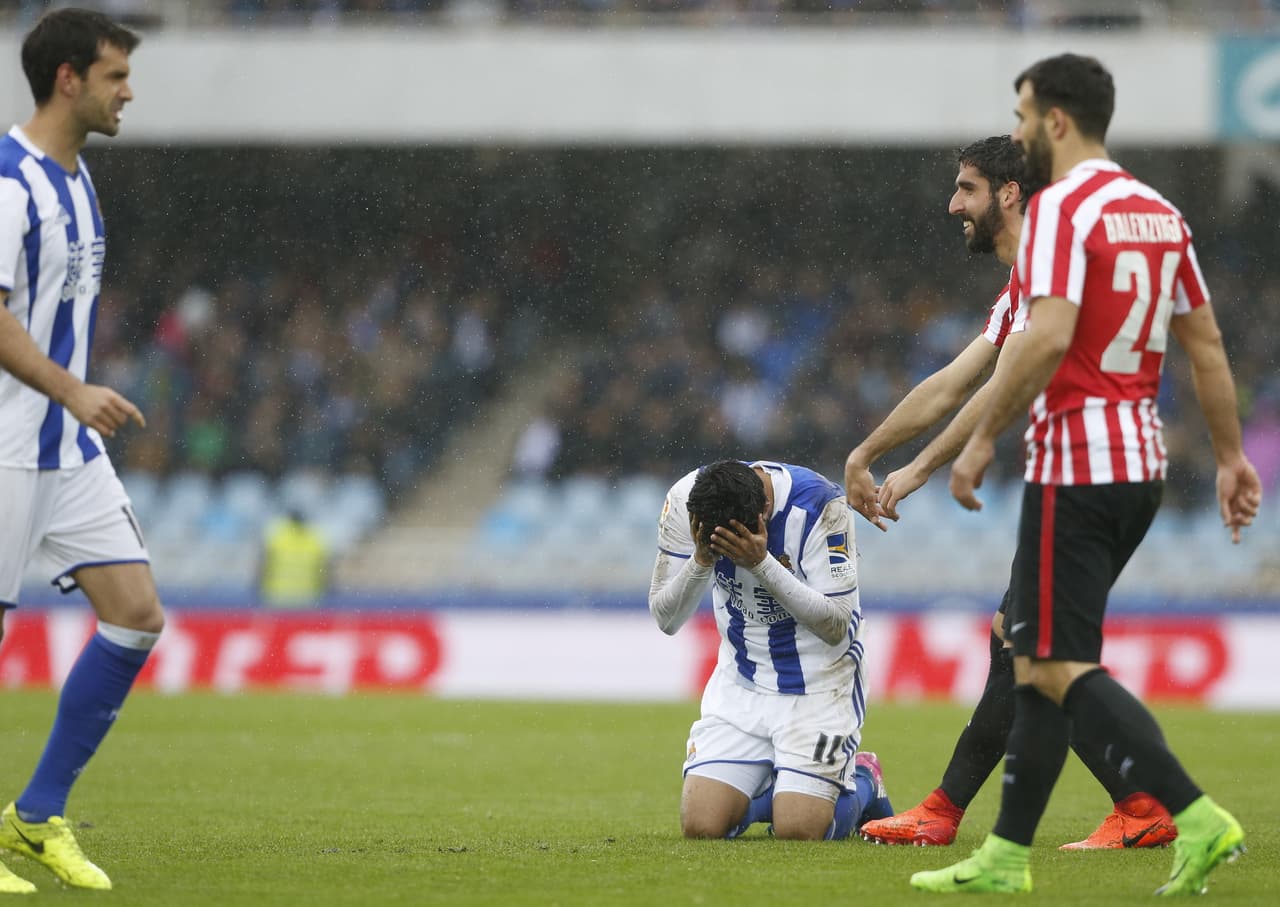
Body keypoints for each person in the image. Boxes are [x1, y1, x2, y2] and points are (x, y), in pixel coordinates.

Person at [913, 53, 1261, 895]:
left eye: (1025, 115)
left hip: (1076, 456)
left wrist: (983, 436)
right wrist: (1229, 456)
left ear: (1057, 122)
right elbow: (1205, 345)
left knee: (1056, 664)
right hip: (1141, 460)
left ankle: (1194, 813)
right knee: (1033, 658)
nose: (1020, 130)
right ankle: (1005, 854)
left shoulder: (1062, 211)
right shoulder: (1158, 212)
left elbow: (1045, 335)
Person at [845, 136, 1175, 852]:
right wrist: (870, 453)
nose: (952, 204)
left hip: (1101, 472)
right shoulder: (1028, 280)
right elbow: (952, 381)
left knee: (1035, 647)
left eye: (966, 188)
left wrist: (925, 466)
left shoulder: (1054, 270)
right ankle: (946, 808)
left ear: (1008, 193)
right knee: (1017, 641)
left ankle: (1148, 800)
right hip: (1090, 473)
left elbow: (1001, 387)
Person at [0, 9, 159, 894]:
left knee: (136, 612)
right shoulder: (7, 181)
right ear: (68, 78)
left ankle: (33, 813)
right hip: (10, 442)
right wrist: (71, 387)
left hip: (70, 448)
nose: (127, 90)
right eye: (113, 75)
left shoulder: (81, 178)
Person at [649, 459, 893, 841]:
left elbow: (836, 625)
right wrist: (701, 559)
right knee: (701, 826)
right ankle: (784, 787)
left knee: (799, 830)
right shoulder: (687, 498)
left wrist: (760, 563)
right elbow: (666, 619)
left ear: (763, 511)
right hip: (742, 682)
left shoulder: (821, 507)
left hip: (818, 684)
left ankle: (865, 780)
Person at [259, 509, 330, 608]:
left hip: (278, 595)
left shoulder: (277, 537)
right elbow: (324, 570)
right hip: (307, 596)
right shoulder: (315, 539)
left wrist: (260, 589)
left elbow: (264, 565)